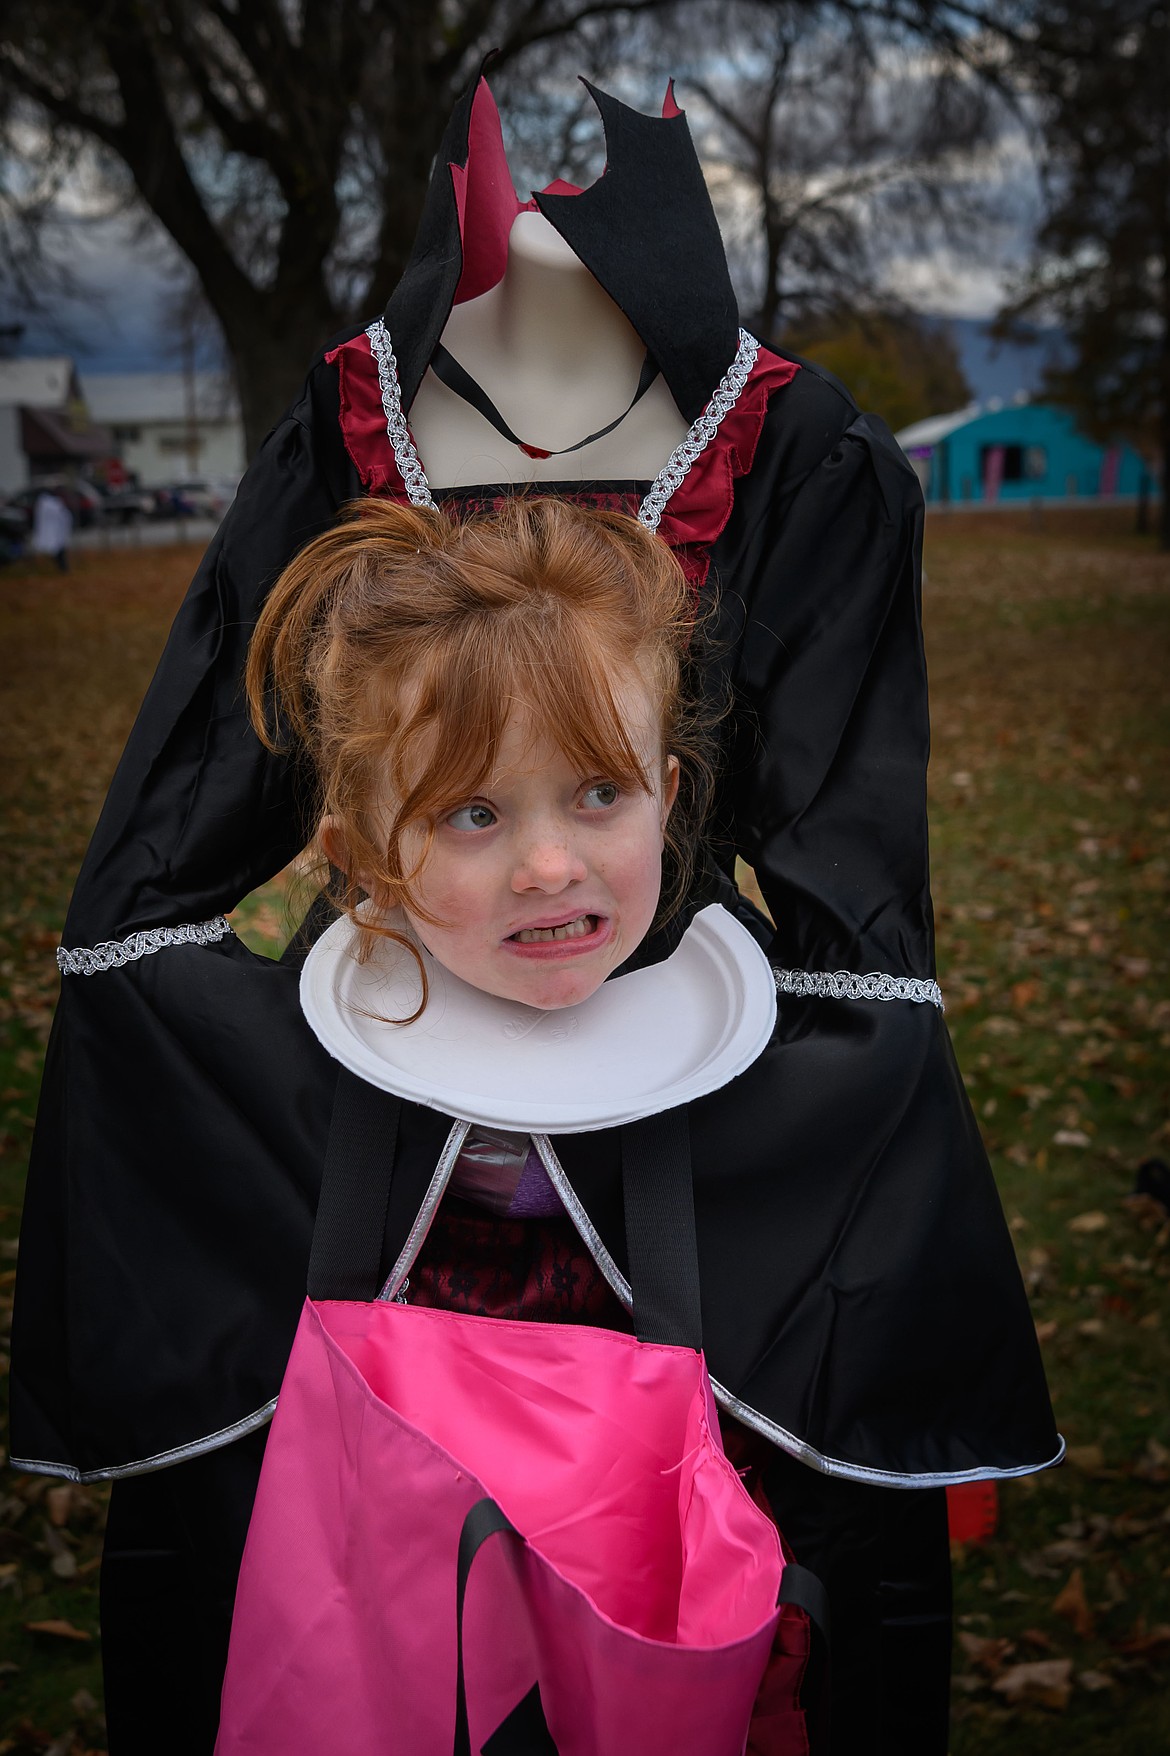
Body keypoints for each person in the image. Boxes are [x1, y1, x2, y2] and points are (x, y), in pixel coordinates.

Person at [11, 70, 1061, 1756]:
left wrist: (817, 1134)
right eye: (505, 813)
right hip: (383, 1133)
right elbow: (160, 864)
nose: (555, 856)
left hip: (684, 1137)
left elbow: (858, 900)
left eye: (596, 797)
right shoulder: (350, 417)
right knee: (366, 1595)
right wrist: (252, 1076)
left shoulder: (796, 447)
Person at [30, 480, 72, 572]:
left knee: (58, 550)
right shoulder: (51, 504)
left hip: (56, 532)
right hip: (55, 531)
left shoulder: (47, 503)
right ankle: (62, 568)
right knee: (57, 550)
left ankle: (62, 567)